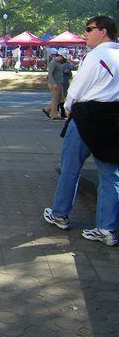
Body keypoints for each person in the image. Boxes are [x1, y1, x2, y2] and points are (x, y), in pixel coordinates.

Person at [43, 16, 119, 246]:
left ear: (103, 31)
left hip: (87, 116)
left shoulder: (97, 55)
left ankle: (60, 213)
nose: (85, 33)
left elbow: (77, 89)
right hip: (113, 117)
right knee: (110, 174)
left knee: (70, 167)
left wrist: (68, 109)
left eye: (89, 29)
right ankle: (107, 227)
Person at [43, 51, 66, 120]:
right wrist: (54, 83)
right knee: (55, 99)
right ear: (60, 56)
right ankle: (53, 114)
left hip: (59, 83)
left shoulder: (58, 63)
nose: (63, 59)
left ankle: (47, 109)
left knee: (59, 100)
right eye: (63, 57)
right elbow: (50, 73)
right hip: (54, 83)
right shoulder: (53, 62)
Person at [59, 49, 73, 119]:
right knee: (60, 98)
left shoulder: (67, 64)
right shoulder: (56, 64)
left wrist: (68, 72)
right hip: (59, 83)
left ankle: (63, 113)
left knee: (64, 98)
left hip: (65, 83)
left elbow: (70, 75)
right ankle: (57, 111)